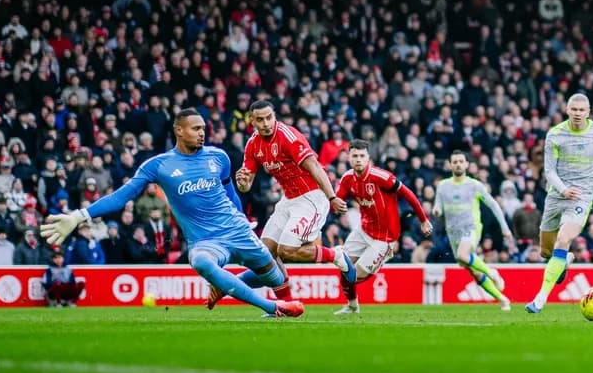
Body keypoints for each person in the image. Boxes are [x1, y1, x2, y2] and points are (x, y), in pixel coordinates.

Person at [41, 108, 304, 318]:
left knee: (275, 276)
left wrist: (243, 220)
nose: (202, 133)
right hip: (206, 241)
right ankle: (273, 308)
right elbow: (123, 196)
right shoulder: (159, 165)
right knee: (200, 261)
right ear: (179, 130)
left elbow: (230, 193)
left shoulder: (219, 157)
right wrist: (78, 216)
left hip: (238, 230)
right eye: (195, 128)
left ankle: (224, 286)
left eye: (203, 128)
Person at [213, 100, 350, 308]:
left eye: (269, 117)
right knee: (264, 256)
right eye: (260, 119)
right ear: (252, 121)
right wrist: (242, 182)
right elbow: (245, 185)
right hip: (288, 200)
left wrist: (331, 197)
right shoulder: (253, 144)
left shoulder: (288, 136)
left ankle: (335, 254)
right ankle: (286, 305)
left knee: (286, 250)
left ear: (274, 116)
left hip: (312, 197)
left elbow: (313, 165)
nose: (266, 123)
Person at [526, 93, 593, 313]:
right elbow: (549, 170)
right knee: (546, 252)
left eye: (582, 110)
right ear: (567, 110)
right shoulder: (555, 134)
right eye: (574, 110)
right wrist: (563, 189)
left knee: (563, 239)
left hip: (582, 195)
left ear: (588, 112)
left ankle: (540, 298)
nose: (578, 114)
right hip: (557, 195)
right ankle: (565, 261)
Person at [331, 139, 432, 314]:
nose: (358, 159)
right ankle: (352, 305)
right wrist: (335, 204)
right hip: (363, 230)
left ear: (368, 158)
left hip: (384, 238)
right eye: (355, 156)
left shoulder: (381, 177)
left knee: (352, 274)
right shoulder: (347, 178)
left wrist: (423, 219)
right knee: (343, 265)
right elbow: (337, 201)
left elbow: (407, 193)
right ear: (349, 158)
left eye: (362, 156)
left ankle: (379, 259)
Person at [432, 150, 514, 311]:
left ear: (467, 164)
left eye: (461, 161)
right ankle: (503, 299)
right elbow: (437, 206)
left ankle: (492, 272)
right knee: (474, 272)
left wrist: (505, 228)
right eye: (454, 161)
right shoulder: (442, 186)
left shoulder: (474, 185)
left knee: (464, 255)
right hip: (453, 233)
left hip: (471, 228)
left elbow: (493, 205)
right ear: (450, 165)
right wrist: (436, 211)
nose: (458, 164)